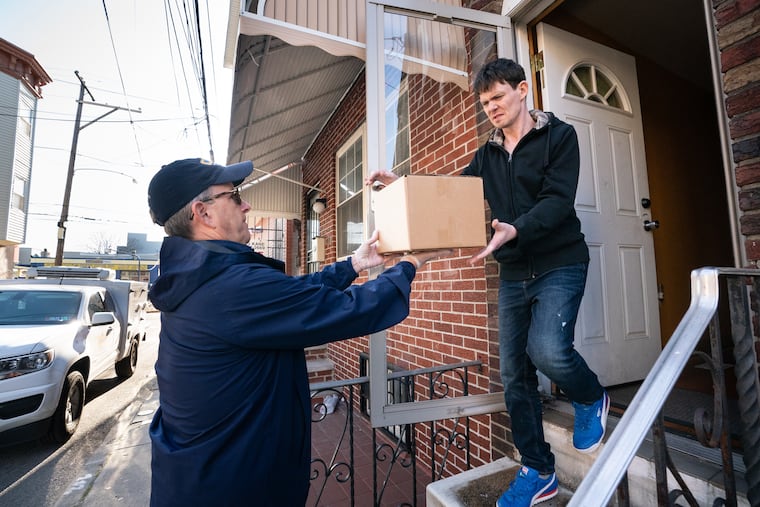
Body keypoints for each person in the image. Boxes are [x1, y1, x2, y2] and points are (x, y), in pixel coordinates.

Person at [367, 58, 608, 507]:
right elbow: (452, 193)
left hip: (560, 262)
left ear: (522, 90)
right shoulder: (488, 153)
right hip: (513, 272)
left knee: (549, 350)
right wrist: (403, 186)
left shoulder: (560, 136)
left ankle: (590, 396)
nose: (492, 108)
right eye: (485, 103)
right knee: (514, 375)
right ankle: (538, 471)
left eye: (498, 97)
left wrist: (516, 228)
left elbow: (558, 200)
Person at [146, 158, 448, 507]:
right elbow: (349, 310)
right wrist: (411, 263)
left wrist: (352, 265)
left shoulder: (203, 278)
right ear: (204, 213)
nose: (246, 205)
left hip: (205, 475)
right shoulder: (228, 289)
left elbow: (287, 295)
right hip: (231, 486)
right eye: (234, 195)